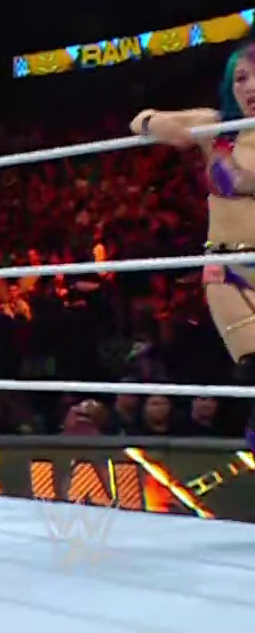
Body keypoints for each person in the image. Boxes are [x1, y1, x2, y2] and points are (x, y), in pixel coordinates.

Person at [131, 38, 255, 446]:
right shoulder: (218, 130)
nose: (251, 86)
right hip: (227, 270)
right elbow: (141, 121)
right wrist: (157, 124)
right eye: (241, 78)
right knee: (251, 361)